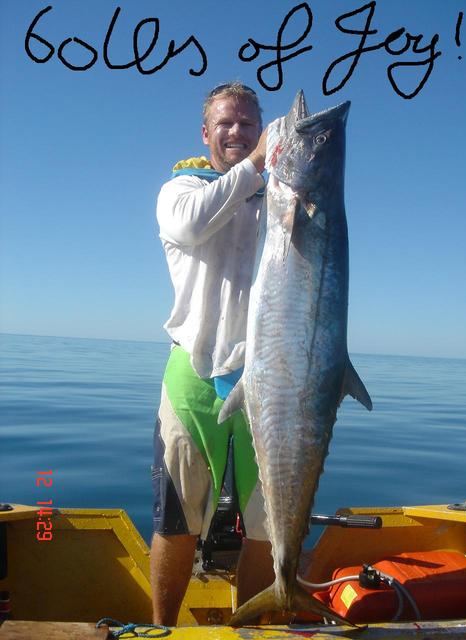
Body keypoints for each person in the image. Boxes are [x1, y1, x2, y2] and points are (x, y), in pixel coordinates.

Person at [150, 82, 274, 626]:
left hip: (268, 383)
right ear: (206, 132)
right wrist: (256, 162)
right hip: (193, 374)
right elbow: (193, 224)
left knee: (267, 527)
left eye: (248, 123)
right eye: (226, 123)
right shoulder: (180, 190)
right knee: (177, 521)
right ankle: (161, 630)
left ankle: (251, 629)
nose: (237, 132)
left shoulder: (276, 199)